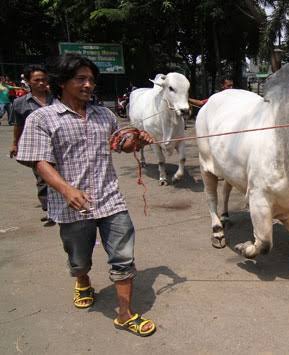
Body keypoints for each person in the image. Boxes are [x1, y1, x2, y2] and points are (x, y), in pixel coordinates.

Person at [16, 53, 157, 336]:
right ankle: (82, 279)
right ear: (62, 82)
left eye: (91, 79)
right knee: (79, 258)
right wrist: (66, 189)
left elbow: (121, 144)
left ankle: (125, 314)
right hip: (71, 204)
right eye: (81, 79)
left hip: (110, 198)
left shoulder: (103, 114)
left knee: (123, 256)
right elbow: (39, 161)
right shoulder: (42, 118)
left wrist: (135, 140)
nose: (88, 85)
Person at [9, 65, 57, 226]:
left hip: (59, 144)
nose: (41, 83)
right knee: (43, 178)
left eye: (44, 80)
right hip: (37, 147)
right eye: (37, 80)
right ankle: (50, 210)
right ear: (29, 82)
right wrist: (15, 144)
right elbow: (18, 125)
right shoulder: (20, 103)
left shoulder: (57, 98)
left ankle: (63, 206)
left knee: (64, 176)